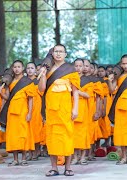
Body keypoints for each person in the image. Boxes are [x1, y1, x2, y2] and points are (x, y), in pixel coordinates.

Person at [38, 44, 80, 176]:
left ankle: (68, 167)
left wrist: (76, 108)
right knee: (52, 138)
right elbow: (41, 89)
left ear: (65, 54)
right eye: (56, 51)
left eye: (61, 51)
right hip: (51, 110)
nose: (58, 54)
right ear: (52, 53)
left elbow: (75, 91)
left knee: (67, 136)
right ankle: (54, 168)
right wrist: (43, 74)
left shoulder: (70, 69)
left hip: (66, 110)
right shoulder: (47, 69)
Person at [0, 60, 35, 166]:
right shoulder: (10, 82)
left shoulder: (27, 81)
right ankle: (15, 159)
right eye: (14, 67)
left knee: (23, 134)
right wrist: (1, 93)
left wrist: (29, 113)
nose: (16, 69)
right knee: (13, 135)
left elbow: (30, 99)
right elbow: (8, 98)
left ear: (22, 68)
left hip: (23, 111)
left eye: (19, 67)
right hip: (11, 112)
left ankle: (23, 158)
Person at [71, 58, 90, 165]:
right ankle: (74, 157)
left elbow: (88, 95)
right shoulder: (70, 79)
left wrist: (77, 92)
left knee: (82, 134)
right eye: (76, 66)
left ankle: (83, 157)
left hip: (83, 108)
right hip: (72, 107)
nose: (78, 68)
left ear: (83, 67)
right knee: (73, 134)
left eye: (80, 66)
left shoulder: (87, 80)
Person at [26, 62, 43, 161]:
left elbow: (42, 93)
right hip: (26, 107)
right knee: (28, 130)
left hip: (37, 108)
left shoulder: (38, 81)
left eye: (32, 68)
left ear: (35, 70)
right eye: (28, 68)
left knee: (36, 130)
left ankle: (36, 151)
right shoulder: (23, 81)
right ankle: (29, 152)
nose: (30, 70)